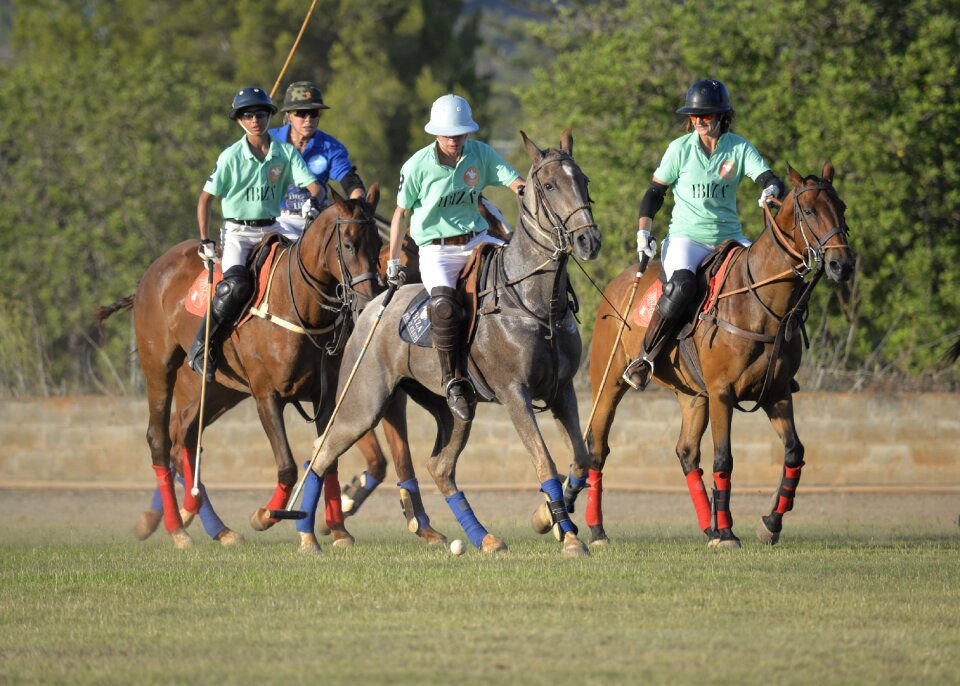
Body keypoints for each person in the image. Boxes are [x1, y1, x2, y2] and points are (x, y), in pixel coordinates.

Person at [622, 78, 785, 390]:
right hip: (687, 239)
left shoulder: (738, 147)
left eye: (706, 117)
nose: (699, 122)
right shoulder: (679, 150)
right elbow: (654, 194)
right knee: (681, 286)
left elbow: (767, 177)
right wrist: (644, 233)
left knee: (772, 277)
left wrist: (771, 189)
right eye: (694, 117)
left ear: (722, 117)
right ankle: (646, 356)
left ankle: (779, 361)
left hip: (730, 238)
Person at [386, 94, 525, 421]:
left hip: (478, 239)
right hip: (437, 250)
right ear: (436, 133)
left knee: (521, 275)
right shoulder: (417, 165)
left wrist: (536, 191)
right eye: (448, 134)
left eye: (460, 133)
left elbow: (515, 182)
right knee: (444, 307)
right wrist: (393, 259)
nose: (454, 140)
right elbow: (400, 214)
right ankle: (453, 382)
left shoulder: (480, 154)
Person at [187, 86, 323, 380]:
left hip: (273, 228)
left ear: (270, 116)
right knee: (234, 286)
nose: (254, 120)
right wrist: (204, 240)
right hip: (238, 233)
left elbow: (313, 185)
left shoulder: (284, 153)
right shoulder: (230, 157)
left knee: (298, 275)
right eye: (247, 115)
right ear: (239, 121)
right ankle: (202, 345)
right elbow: (205, 200)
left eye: (260, 114)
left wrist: (314, 200)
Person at [268, 80, 366, 237]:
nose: (308, 119)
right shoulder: (269, 140)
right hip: (276, 218)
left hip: (318, 219)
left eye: (314, 113)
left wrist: (357, 204)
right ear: (288, 115)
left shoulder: (331, 146)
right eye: (300, 113)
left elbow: (351, 182)